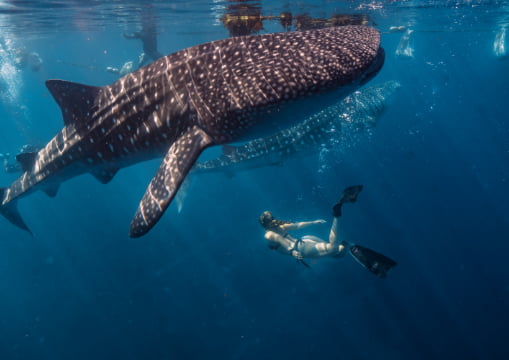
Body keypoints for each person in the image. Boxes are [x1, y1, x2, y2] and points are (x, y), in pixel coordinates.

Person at [259, 185, 397, 278]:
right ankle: (361, 254)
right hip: (306, 240)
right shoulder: (278, 228)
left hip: (301, 248)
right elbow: (297, 226)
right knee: (339, 253)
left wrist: (291, 251)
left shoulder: (269, 234)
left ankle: (337, 212)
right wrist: (313, 222)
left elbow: (282, 241)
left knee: (332, 247)